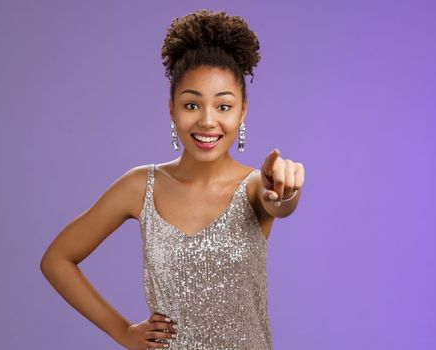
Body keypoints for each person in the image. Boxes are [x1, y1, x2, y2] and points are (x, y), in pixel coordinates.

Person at [40, 9, 305, 349]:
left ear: (242, 112)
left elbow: (280, 204)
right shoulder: (140, 187)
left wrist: (285, 190)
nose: (207, 121)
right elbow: (57, 260)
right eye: (192, 105)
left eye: (223, 107)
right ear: (171, 109)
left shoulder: (256, 188)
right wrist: (122, 331)